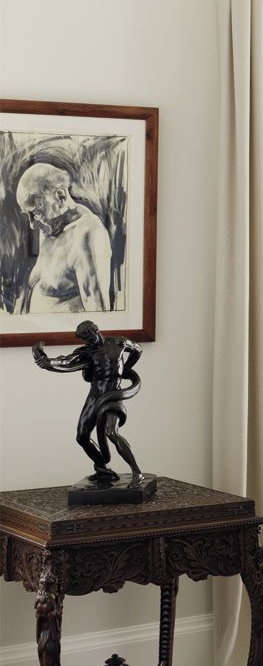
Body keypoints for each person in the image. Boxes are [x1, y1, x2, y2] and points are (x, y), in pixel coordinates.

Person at [33, 321, 144, 485]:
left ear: (95, 330)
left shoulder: (118, 342)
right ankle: (102, 468)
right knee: (82, 436)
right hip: (94, 397)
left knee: (111, 432)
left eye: (86, 336)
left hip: (113, 396)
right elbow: (66, 361)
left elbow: (137, 350)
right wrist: (48, 361)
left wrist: (126, 368)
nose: (86, 341)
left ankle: (136, 472)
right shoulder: (86, 352)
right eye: (83, 339)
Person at [14, 161, 112, 314]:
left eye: (36, 213)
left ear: (60, 196)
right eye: (28, 215)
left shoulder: (89, 233)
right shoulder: (52, 224)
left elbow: (98, 312)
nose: (32, 225)